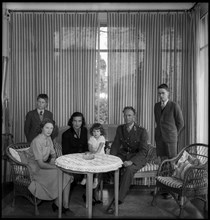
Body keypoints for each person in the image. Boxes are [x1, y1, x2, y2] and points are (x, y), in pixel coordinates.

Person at [106, 106, 149, 214]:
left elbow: (143, 151)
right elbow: (116, 145)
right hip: (124, 154)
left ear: (134, 116)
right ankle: (115, 189)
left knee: (129, 169)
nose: (127, 117)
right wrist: (112, 158)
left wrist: (132, 161)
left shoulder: (142, 131)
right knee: (111, 166)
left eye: (129, 115)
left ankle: (117, 200)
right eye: (125, 115)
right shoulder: (120, 128)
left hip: (137, 157)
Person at [27, 118, 74, 214]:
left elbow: (53, 155)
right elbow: (40, 164)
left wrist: (54, 161)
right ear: (41, 128)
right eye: (47, 128)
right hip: (35, 170)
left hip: (44, 166)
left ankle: (65, 206)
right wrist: (56, 167)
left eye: (51, 128)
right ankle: (57, 203)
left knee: (67, 174)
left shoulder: (48, 138)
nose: (49, 130)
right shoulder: (37, 141)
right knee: (60, 173)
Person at [154, 83, 184, 199]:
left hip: (171, 139)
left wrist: (173, 134)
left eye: (163, 93)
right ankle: (164, 188)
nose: (161, 96)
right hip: (160, 138)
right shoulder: (156, 106)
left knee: (172, 163)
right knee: (163, 162)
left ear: (168, 93)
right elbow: (158, 121)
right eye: (159, 93)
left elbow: (180, 123)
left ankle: (173, 191)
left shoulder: (174, 106)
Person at [80, 123, 106, 189]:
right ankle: (85, 177)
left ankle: (96, 179)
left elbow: (100, 148)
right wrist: (92, 153)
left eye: (97, 131)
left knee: (97, 164)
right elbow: (90, 147)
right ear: (92, 132)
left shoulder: (102, 138)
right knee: (86, 161)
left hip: (100, 155)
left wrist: (95, 153)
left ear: (101, 132)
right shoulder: (91, 138)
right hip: (93, 154)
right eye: (94, 131)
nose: (96, 133)